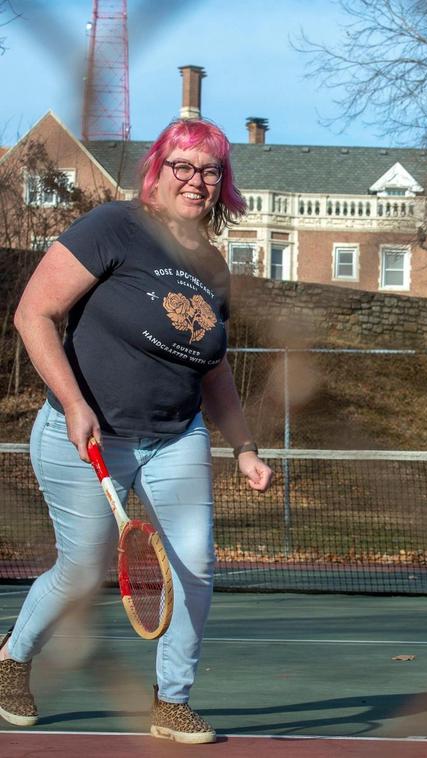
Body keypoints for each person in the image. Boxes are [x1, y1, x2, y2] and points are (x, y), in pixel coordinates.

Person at [0, 118, 273, 744]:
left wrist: (246, 447)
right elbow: (34, 313)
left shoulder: (210, 263)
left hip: (176, 435)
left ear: (221, 183)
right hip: (88, 435)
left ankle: (171, 701)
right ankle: (13, 656)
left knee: (196, 565)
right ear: (158, 169)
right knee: (82, 568)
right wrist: (72, 402)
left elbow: (214, 368)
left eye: (209, 170)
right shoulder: (113, 227)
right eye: (183, 165)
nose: (195, 180)